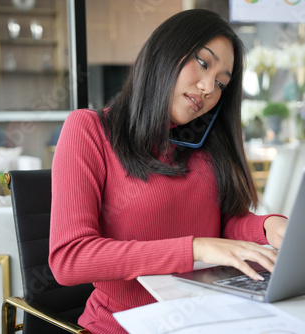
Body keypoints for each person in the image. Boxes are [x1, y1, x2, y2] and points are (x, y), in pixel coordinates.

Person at [49, 9, 288, 334]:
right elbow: (70, 259)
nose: (208, 88)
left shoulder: (206, 143)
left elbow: (221, 223)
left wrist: (266, 227)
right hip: (120, 326)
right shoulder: (90, 130)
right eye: (203, 63)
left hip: (205, 321)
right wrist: (195, 248)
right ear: (165, 52)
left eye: (221, 83)